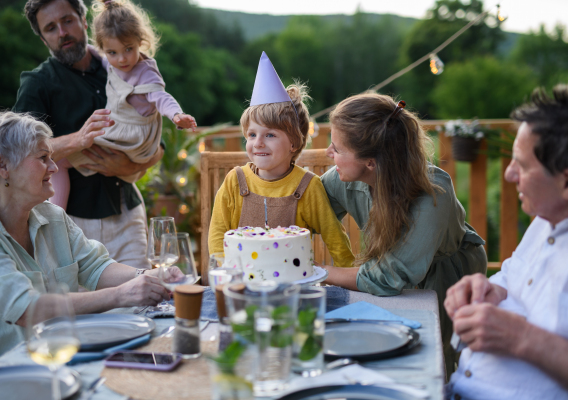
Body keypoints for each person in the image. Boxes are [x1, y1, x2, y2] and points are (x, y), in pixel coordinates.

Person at [0, 110, 171, 369]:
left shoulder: (51, 215)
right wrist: (121, 295)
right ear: (3, 165)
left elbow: (95, 267)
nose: (54, 167)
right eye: (43, 158)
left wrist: (152, 278)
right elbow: (27, 309)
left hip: (58, 357)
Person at [320, 93, 487, 378]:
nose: (327, 153)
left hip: (447, 277)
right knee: (377, 349)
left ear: (370, 162)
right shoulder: (342, 179)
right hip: (389, 279)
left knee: (435, 360)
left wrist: (320, 272)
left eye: (336, 149)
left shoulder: (432, 193)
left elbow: (388, 277)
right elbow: (306, 211)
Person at [14, 0, 159, 269]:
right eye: (50, 28)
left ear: (83, 20)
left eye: (67, 20)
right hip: (72, 224)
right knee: (85, 309)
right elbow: (19, 152)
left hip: (129, 215)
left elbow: (156, 143)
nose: (62, 32)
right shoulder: (37, 84)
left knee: (141, 305)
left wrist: (129, 165)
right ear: (43, 36)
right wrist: (77, 140)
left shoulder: (122, 66)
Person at [444, 85, 568, 399]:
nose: (510, 175)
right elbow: (513, 276)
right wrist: (487, 288)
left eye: (522, 166)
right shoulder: (545, 220)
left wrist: (519, 337)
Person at [208, 52, 355, 270]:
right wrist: (222, 272)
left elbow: (335, 237)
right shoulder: (234, 181)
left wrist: (348, 276)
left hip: (294, 285)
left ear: (294, 143)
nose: (258, 143)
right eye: (251, 134)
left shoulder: (308, 187)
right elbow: (217, 235)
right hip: (241, 283)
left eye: (270, 135)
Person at [52, 0, 197, 209]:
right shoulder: (109, 61)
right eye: (112, 52)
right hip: (119, 131)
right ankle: (59, 213)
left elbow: (161, 97)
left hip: (131, 139)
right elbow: (98, 55)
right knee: (60, 162)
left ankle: (57, 216)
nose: (121, 59)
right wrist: (81, 49)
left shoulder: (145, 72)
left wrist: (176, 115)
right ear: (104, 49)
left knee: (60, 161)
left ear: (140, 41)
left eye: (128, 49)